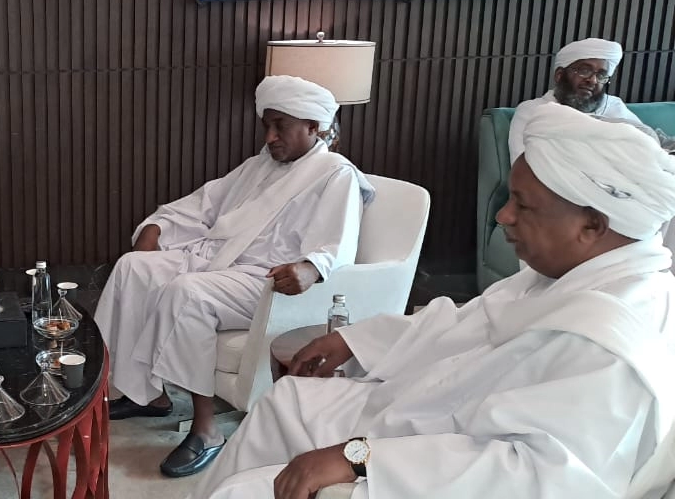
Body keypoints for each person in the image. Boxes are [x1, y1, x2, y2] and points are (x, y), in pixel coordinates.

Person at [194, 104, 675, 499]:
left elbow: (533, 476)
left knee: (242, 492)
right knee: (287, 401)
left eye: (523, 205)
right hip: (433, 418)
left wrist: (357, 457)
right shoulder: (567, 276)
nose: (503, 217)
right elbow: (461, 322)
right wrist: (353, 340)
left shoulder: (608, 342)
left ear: (592, 224)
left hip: (441, 469)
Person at [95, 75, 375, 478]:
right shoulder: (259, 166)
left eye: (280, 126)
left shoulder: (335, 174)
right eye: (267, 125)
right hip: (221, 260)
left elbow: (338, 244)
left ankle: (206, 431)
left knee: (188, 294)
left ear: (313, 126)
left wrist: (310, 267)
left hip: (270, 281)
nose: (270, 137)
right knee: (132, 267)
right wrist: (158, 227)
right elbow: (203, 206)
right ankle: (149, 395)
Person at [508, 37, 651, 160]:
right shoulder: (532, 111)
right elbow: (521, 165)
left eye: (601, 75)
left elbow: (647, 149)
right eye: (584, 71)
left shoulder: (613, 107)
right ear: (559, 75)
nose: (593, 80)